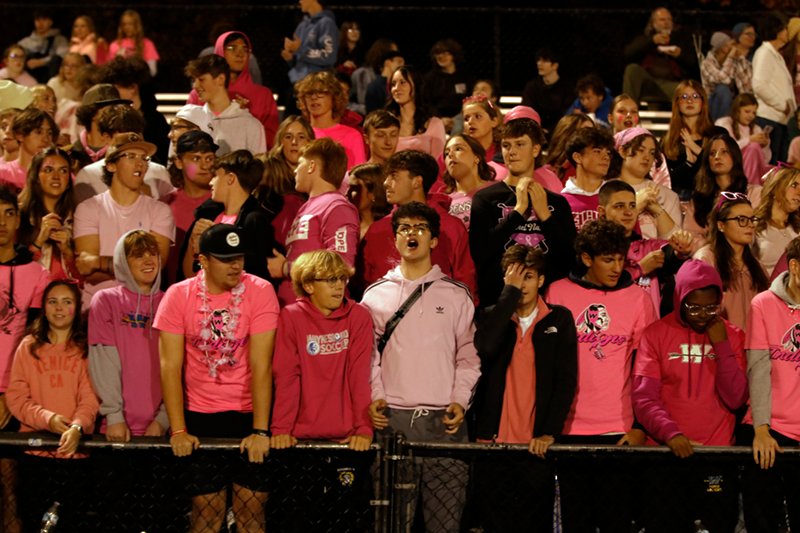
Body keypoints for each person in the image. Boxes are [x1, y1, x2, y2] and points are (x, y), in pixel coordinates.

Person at [363, 202, 480, 533]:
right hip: (392, 423)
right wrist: (376, 397)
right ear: (395, 239)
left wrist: (460, 401)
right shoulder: (373, 296)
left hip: (445, 424)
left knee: (445, 524)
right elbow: (367, 358)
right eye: (404, 228)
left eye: (419, 228)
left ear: (433, 240)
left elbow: (469, 357)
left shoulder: (457, 295)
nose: (410, 234)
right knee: (392, 525)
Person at [155, 224, 278, 533]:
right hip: (199, 416)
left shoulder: (260, 290)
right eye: (225, 259)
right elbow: (170, 366)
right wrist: (178, 429)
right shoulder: (178, 295)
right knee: (206, 513)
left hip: (248, 414)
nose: (235, 265)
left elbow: (261, 364)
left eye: (239, 257)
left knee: (252, 510)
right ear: (204, 260)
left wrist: (260, 430)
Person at [546, 218, 657, 532]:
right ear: (586, 258)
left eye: (621, 260)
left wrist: (639, 426)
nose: (616, 268)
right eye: (608, 260)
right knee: (576, 522)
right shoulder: (557, 292)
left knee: (616, 523)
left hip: (618, 431)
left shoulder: (638, 298)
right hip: (568, 429)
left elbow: (647, 370)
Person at [632, 259, 747, 533]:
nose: (702, 315)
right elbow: (644, 397)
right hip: (666, 455)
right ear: (679, 299)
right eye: (693, 307)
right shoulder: (655, 334)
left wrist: (721, 344)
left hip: (716, 455)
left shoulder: (732, 336)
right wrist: (671, 434)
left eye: (710, 307)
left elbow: (736, 398)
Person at [472, 245, 577, 532]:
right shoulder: (491, 316)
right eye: (515, 277)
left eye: (528, 276)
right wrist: (508, 295)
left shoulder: (559, 319)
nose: (522, 284)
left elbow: (566, 381)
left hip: (535, 448)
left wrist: (549, 432)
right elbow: (486, 347)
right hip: (493, 446)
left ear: (541, 280)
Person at [271, 250, 374, 530]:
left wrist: (363, 428)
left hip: (347, 442)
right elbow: (287, 376)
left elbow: (359, 376)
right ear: (308, 285)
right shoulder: (291, 316)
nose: (339, 286)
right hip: (300, 444)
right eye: (330, 280)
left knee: (347, 523)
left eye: (341, 278)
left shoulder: (358, 316)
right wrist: (281, 429)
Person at [6, 280, 98, 529]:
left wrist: (76, 427)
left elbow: (90, 398)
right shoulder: (28, 347)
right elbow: (16, 397)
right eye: (52, 302)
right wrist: (48, 419)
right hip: (35, 453)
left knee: (70, 524)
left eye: (67, 302)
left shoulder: (85, 349)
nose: (59, 308)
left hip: (74, 454)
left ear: (76, 308)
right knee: (33, 522)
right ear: (44, 308)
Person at [470, 117, 575, 308]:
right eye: (506, 145)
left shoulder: (557, 203)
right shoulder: (485, 199)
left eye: (520, 144)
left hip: (547, 306)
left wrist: (545, 216)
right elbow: (480, 253)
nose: (512, 152)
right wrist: (517, 212)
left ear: (535, 149)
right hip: (497, 305)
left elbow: (569, 258)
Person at [73, 133, 174, 309]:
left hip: (141, 311)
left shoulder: (159, 211)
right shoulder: (88, 208)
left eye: (144, 158)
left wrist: (99, 262)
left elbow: (154, 268)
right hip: (96, 309)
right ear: (111, 165)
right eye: (131, 156)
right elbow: (86, 270)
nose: (140, 163)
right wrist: (135, 266)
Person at [357, 149, 476, 298]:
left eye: (394, 176)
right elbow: (365, 286)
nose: (386, 183)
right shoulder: (376, 230)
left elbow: (466, 283)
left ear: (417, 182)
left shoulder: (451, 227)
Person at [742, 235, 800, 532]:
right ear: (795, 267)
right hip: (771, 430)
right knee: (762, 521)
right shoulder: (763, 304)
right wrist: (761, 429)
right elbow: (759, 368)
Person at [267, 138, 359, 306]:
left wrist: (286, 268)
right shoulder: (306, 207)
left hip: (318, 314)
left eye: (299, 164)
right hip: (294, 309)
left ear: (311, 166)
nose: (295, 171)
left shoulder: (337, 207)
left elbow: (341, 265)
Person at [597, 180, 693, 315]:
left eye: (632, 206)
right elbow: (600, 287)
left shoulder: (648, 247)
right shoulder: (594, 250)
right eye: (619, 206)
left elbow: (671, 256)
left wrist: (681, 251)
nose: (628, 212)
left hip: (649, 326)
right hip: (611, 324)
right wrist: (640, 268)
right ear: (602, 212)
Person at [180, 150, 274, 285]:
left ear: (231, 178)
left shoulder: (254, 221)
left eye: (216, 176)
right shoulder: (207, 215)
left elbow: (255, 275)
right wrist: (192, 242)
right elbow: (189, 275)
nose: (211, 182)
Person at [187, 31, 279, 147]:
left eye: (245, 49)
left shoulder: (263, 95)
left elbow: (271, 138)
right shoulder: (200, 93)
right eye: (232, 48)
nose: (240, 54)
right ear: (220, 51)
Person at [73, 103, 174, 203]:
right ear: (106, 137)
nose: (131, 141)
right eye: (123, 136)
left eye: (136, 134)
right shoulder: (87, 176)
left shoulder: (159, 173)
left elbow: (169, 210)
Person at [695, 194, 769, 330]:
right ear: (721, 225)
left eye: (752, 219)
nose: (750, 225)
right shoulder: (706, 260)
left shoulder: (757, 266)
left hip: (754, 341)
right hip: (720, 339)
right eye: (742, 220)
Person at [683, 134, 759, 252]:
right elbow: (691, 235)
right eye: (712, 154)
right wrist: (712, 248)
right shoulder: (699, 198)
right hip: (709, 256)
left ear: (735, 156)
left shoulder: (753, 193)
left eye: (724, 152)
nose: (717, 157)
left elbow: (757, 233)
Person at [182, 55, 267, 156]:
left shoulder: (251, 125)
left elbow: (258, 163)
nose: (195, 85)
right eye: (194, 80)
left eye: (201, 79)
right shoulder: (190, 121)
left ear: (221, 79)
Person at [17, 148, 79, 281]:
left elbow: (84, 277)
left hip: (69, 291)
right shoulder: (18, 215)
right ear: (36, 177)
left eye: (63, 171)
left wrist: (67, 252)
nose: (56, 176)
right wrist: (39, 241)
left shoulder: (80, 216)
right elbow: (12, 269)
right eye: (49, 170)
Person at [164, 131, 216, 285]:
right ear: (179, 162)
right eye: (196, 159)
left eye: (209, 158)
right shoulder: (165, 204)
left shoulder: (223, 201)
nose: (205, 165)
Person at [613, 126, 682, 239]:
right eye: (641, 150)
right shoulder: (605, 190)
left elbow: (676, 242)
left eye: (652, 153)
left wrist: (656, 209)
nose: (647, 157)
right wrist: (637, 205)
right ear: (622, 152)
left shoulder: (668, 196)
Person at [101, 56, 170, 164]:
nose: (111, 93)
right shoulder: (109, 118)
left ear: (132, 88)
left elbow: (162, 157)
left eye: (115, 88)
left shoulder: (156, 122)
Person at [622, 7, 697, 105]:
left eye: (669, 20)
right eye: (662, 19)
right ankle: (628, 109)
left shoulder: (680, 39)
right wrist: (652, 41)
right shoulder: (645, 39)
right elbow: (628, 53)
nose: (666, 23)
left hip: (670, 83)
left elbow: (693, 64)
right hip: (649, 81)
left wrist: (680, 55)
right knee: (631, 69)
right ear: (653, 23)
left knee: (686, 91)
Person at [662, 80, 721, 199]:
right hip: (678, 197)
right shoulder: (667, 140)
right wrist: (688, 164)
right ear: (677, 103)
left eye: (695, 96)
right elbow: (665, 179)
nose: (690, 101)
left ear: (703, 102)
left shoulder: (718, 134)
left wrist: (697, 150)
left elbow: (724, 170)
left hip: (712, 195)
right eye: (684, 97)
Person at [295, 70, 366, 169]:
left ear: (334, 97)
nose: (314, 97)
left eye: (321, 93)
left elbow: (359, 175)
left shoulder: (352, 135)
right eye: (309, 93)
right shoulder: (299, 133)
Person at [752, 13, 794, 164]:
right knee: (770, 164)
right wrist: (783, 105)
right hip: (769, 117)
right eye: (785, 29)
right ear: (777, 30)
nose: (787, 32)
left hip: (779, 118)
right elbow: (759, 85)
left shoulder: (775, 54)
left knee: (779, 163)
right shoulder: (764, 53)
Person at [561, 126, 614, 231]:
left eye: (608, 153)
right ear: (578, 157)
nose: (606, 157)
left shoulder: (615, 196)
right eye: (597, 151)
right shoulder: (562, 202)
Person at [386, 65, 446, 159]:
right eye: (393, 84)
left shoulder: (434, 124)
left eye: (403, 82)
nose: (396, 88)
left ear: (416, 86)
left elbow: (439, 163)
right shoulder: (387, 123)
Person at [715, 93, 771, 185]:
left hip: (756, 170)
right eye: (747, 111)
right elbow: (724, 149)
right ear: (737, 110)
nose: (751, 116)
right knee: (753, 147)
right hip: (732, 166)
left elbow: (765, 160)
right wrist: (749, 140)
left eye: (754, 113)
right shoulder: (724, 123)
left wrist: (765, 146)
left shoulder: (756, 128)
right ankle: (748, 185)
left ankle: (753, 185)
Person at [754, 167, 800, 276]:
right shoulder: (753, 227)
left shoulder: (798, 229)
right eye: (794, 185)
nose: (799, 192)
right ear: (775, 188)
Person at [442, 134, 495, 229]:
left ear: (477, 157)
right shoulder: (444, 201)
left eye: (458, 149)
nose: (450, 154)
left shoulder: (496, 191)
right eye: (446, 153)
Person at [282, 0, 338, 87]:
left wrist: (300, 49)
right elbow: (299, 61)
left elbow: (329, 56)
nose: (300, 1)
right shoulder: (302, 26)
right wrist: (290, 58)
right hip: (298, 83)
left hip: (318, 84)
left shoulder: (327, 23)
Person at [423, 38, 473, 133]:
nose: (441, 57)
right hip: (437, 118)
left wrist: (457, 118)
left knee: (459, 125)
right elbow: (427, 103)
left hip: (461, 116)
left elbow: (470, 99)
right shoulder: (430, 78)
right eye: (438, 54)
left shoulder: (464, 77)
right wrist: (440, 118)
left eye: (445, 53)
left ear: (454, 55)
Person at [0, 108, 57, 192]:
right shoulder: (2, 174)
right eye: (38, 132)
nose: (46, 139)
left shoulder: (60, 174)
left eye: (49, 133)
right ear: (20, 135)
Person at [701, 31, 753, 121]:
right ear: (723, 47)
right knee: (723, 89)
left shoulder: (736, 60)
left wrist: (741, 60)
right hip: (713, 104)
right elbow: (723, 80)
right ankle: (720, 126)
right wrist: (730, 57)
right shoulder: (707, 63)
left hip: (733, 102)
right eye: (732, 44)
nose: (735, 47)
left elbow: (747, 85)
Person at [521, 48, 573, 135]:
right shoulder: (532, 87)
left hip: (559, 132)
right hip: (535, 132)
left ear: (555, 65)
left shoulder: (567, 88)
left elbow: (567, 114)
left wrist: (550, 130)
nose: (539, 63)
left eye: (545, 61)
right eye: (538, 60)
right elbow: (527, 110)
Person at [17, 11, 69, 84]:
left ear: (50, 22)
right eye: (38, 20)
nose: (40, 24)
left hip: (51, 78)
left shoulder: (59, 40)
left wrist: (42, 62)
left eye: (44, 19)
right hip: (28, 79)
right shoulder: (25, 42)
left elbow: (63, 56)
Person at [543, 113, 595, 183]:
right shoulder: (546, 172)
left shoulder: (595, 170)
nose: (591, 137)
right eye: (585, 132)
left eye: (593, 133)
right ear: (567, 134)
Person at [107, 10, 159, 77]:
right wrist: (119, 60)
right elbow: (109, 72)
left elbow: (152, 71)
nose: (127, 27)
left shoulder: (147, 44)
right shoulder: (114, 45)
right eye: (124, 24)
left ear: (137, 25)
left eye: (130, 24)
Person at [346, 162, 389, 240]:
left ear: (373, 193)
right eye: (348, 187)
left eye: (354, 188)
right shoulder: (345, 225)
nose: (346, 193)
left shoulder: (390, 228)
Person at [364, 50, 405, 114]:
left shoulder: (399, 84)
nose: (402, 65)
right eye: (399, 62)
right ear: (387, 63)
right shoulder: (374, 86)